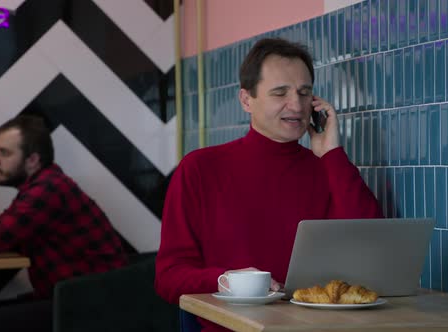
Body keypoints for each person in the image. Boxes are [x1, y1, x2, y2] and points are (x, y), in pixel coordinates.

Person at [155, 38, 383, 331]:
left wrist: (332, 154)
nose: (297, 105)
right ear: (246, 100)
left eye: (305, 93)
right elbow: (169, 276)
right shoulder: (200, 169)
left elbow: (370, 249)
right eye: (280, 93)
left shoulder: (327, 168)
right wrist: (227, 281)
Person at [0, 115, 128, 331]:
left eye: (4, 153)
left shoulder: (46, 191)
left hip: (91, 306)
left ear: (32, 160)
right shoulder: (44, 185)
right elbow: (10, 233)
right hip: (76, 297)